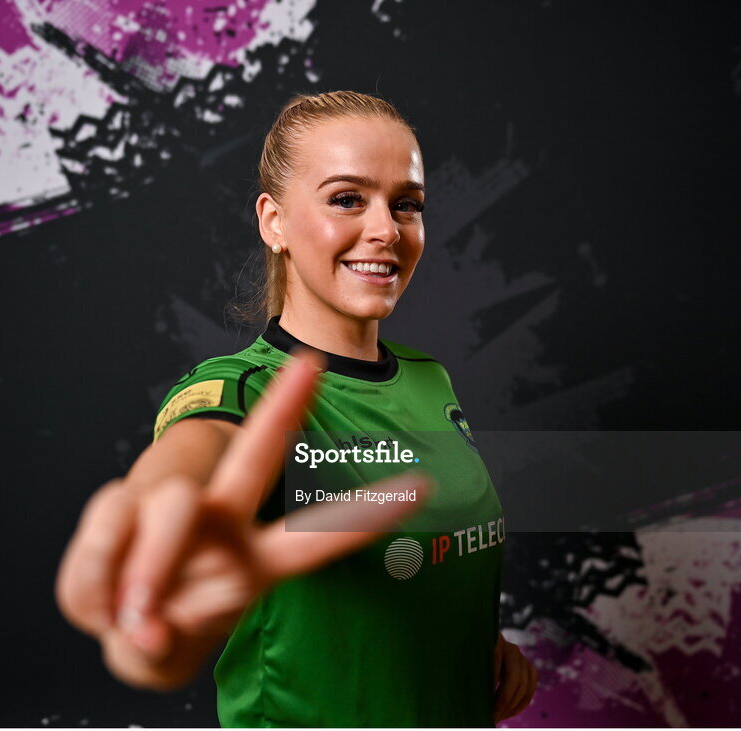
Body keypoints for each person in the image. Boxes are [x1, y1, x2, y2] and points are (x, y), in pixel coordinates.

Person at [56, 91, 538, 726]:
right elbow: (193, 460)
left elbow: (420, 569)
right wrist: (153, 569)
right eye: (347, 199)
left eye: (407, 204)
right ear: (274, 221)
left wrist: (470, 643)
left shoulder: (430, 379)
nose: (387, 230)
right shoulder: (242, 392)